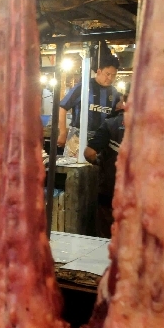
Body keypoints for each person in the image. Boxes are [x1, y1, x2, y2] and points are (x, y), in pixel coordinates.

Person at [84, 89, 128, 238]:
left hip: (110, 190)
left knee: (106, 238)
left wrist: (99, 162)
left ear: (124, 100)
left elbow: (89, 153)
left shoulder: (111, 124)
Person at [57, 54, 122, 147]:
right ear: (99, 71)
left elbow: (113, 118)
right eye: (107, 74)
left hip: (100, 139)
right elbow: (62, 108)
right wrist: (63, 133)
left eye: (113, 75)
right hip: (77, 138)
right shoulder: (83, 87)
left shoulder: (114, 92)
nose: (110, 78)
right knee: (74, 162)